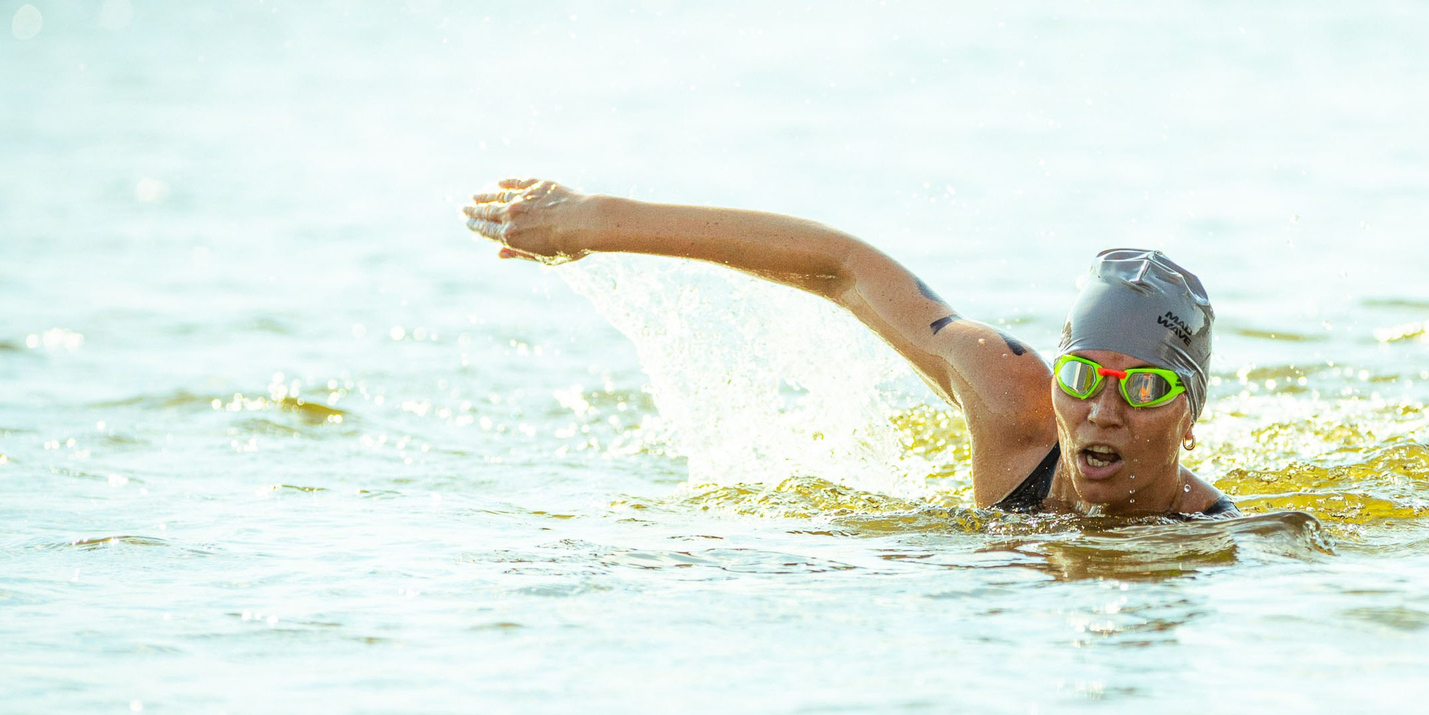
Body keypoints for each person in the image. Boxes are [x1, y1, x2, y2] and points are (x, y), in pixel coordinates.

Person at [463, 179, 1234, 518]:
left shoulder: (1212, 537)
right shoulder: (1010, 399)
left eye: (1145, 388)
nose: (1102, 410)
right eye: (1083, 375)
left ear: (1190, 415)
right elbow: (843, 267)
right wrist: (592, 222)